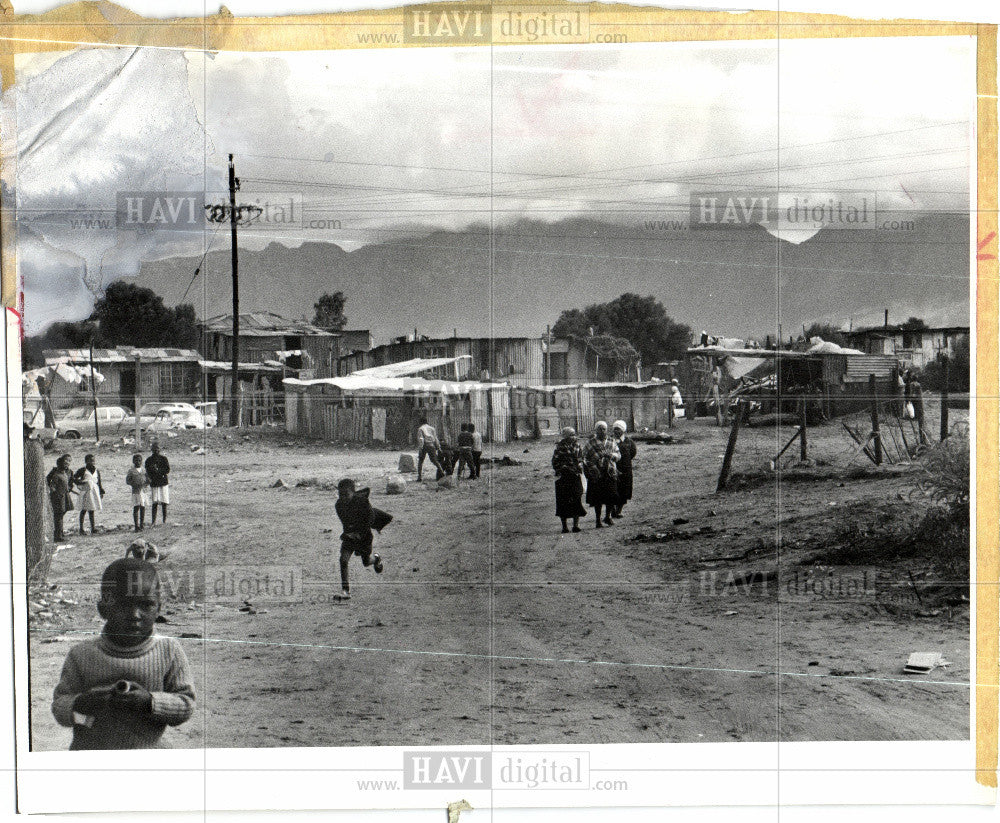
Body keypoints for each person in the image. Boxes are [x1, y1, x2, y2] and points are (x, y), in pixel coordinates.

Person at [50, 557, 195, 749]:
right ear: (103, 609)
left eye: (146, 605)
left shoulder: (168, 650)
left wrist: (150, 702)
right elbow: (60, 705)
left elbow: (185, 704)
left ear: (158, 608)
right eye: (124, 605)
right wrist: (81, 703)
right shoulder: (82, 654)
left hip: (147, 753)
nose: (135, 615)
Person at [334, 478, 391, 601]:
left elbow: (370, 518)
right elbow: (345, 522)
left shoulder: (362, 503)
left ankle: (376, 559)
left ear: (353, 493)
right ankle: (345, 590)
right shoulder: (338, 505)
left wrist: (360, 534)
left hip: (364, 536)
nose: (343, 497)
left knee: (366, 562)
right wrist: (351, 534)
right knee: (343, 560)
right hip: (349, 536)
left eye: (346, 494)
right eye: (340, 494)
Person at [584, 421, 620, 528]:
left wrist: (612, 455)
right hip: (596, 474)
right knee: (597, 498)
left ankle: (608, 517)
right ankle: (597, 520)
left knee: (610, 496)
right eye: (599, 429)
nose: (602, 431)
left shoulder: (611, 441)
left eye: (604, 429)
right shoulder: (591, 442)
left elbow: (618, 455)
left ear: (607, 430)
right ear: (596, 430)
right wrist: (593, 467)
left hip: (610, 472)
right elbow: (585, 457)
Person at [552, 427, 586, 533]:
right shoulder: (560, 447)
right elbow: (555, 461)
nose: (573, 437)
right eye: (570, 435)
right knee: (563, 501)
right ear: (565, 436)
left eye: (574, 434)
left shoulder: (577, 445)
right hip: (564, 476)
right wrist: (564, 467)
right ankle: (564, 526)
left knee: (577, 498)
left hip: (575, 475)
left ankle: (576, 525)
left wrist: (580, 465)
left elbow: (581, 458)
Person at [611, 420, 637, 518]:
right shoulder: (610, 441)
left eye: (618, 429)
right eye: (615, 429)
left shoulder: (629, 442)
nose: (616, 431)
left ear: (623, 430)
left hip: (626, 469)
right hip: (613, 468)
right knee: (613, 489)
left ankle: (619, 510)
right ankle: (612, 510)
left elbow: (633, 453)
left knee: (624, 490)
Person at [73, 454, 104, 536]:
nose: (92, 462)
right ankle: (81, 528)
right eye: (90, 461)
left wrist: (101, 491)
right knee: (83, 509)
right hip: (86, 492)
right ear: (86, 461)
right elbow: (74, 478)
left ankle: (93, 528)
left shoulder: (96, 471)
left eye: (93, 460)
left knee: (92, 509)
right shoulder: (83, 470)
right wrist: (81, 483)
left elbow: (99, 482)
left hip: (94, 491)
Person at [46, 454, 74, 542]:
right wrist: (54, 492)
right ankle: (58, 535)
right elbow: (51, 483)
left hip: (65, 495)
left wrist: (69, 488)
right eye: (66, 461)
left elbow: (70, 482)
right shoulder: (56, 473)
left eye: (69, 461)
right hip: (58, 496)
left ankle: (59, 533)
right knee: (58, 515)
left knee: (61, 514)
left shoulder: (68, 472)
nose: (67, 463)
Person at [145, 442, 170, 525]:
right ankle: (153, 521)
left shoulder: (164, 459)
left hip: (163, 482)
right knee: (154, 502)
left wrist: (158, 471)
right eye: (154, 448)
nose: (156, 450)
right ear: (151, 450)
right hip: (154, 482)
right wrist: (154, 473)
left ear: (160, 449)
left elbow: (167, 470)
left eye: (158, 448)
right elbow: (148, 471)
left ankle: (164, 520)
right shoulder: (149, 460)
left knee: (164, 502)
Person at [125, 453, 150, 532]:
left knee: (143, 507)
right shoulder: (131, 471)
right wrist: (134, 484)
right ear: (133, 461)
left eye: (139, 460)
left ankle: (141, 525)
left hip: (143, 491)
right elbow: (128, 481)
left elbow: (148, 479)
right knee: (136, 507)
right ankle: (136, 526)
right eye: (136, 460)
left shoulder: (144, 470)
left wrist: (146, 483)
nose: (138, 462)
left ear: (141, 461)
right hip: (135, 491)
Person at [904, 370, 928, 444]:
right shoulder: (918, 384)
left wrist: (910, 398)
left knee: (914, 408)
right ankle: (918, 416)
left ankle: (915, 416)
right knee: (918, 408)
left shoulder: (912, 384)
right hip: (918, 398)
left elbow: (911, 392)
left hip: (915, 398)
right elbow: (918, 392)